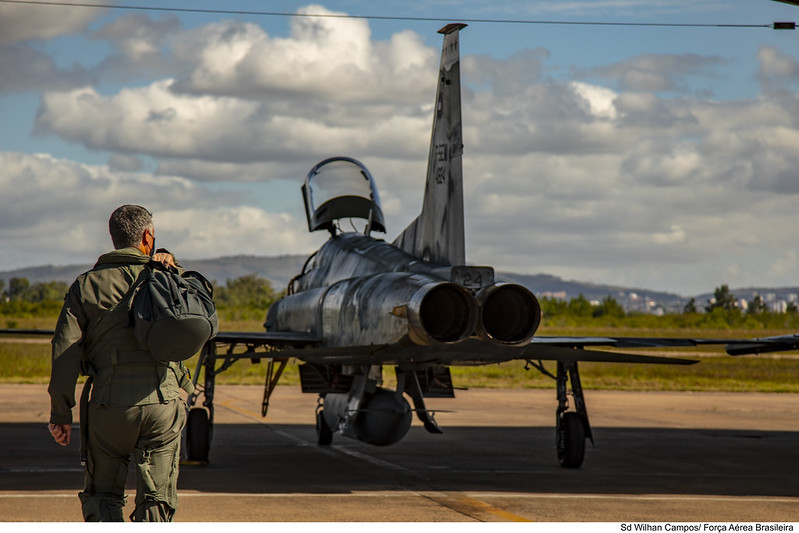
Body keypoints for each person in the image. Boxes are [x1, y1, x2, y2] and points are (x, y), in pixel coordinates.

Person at [48, 204, 195, 522]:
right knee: (156, 499)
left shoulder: (86, 285)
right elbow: (193, 325)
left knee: (103, 498)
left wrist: (61, 411)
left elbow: (65, 349)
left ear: (113, 238)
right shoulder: (167, 277)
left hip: (107, 405)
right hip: (161, 402)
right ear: (148, 236)